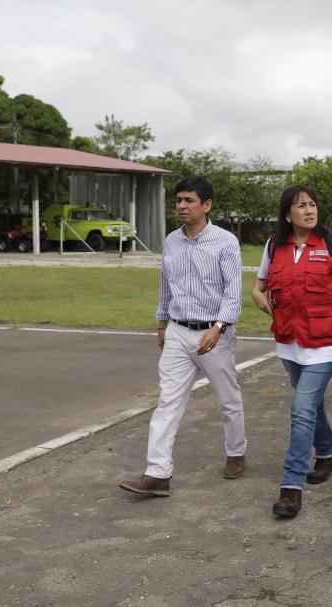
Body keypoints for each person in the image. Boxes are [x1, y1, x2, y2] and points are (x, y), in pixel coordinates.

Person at [251, 185, 332, 519]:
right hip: (288, 341)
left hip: (326, 342)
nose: (309, 210)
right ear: (287, 214)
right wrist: (256, 295)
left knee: (302, 408)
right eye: (300, 206)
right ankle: (328, 453)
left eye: (312, 204)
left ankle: (291, 487)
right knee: (311, 404)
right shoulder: (273, 246)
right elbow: (259, 284)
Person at [120, 176, 246, 497]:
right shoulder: (172, 241)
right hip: (177, 331)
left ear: (207, 205)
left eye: (189, 200)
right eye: (178, 200)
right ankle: (158, 474)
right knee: (167, 402)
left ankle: (236, 452)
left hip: (214, 334)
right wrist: (162, 324)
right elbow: (166, 284)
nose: (181, 206)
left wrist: (218, 328)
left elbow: (233, 293)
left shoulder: (225, 242)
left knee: (228, 400)